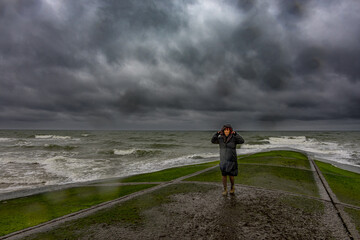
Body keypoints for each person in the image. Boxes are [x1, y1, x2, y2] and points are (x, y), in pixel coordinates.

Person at [211, 124, 244, 196]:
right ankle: (225, 189)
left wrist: (236, 134)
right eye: (225, 130)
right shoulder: (220, 139)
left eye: (228, 130)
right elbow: (213, 141)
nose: (226, 131)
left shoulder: (234, 138)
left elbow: (242, 141)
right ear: (223, 130)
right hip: (223, 159)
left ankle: (232, 187)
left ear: (230, 131)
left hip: (232, 159)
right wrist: (217, 134)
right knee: (224, 175)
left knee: (231, 175)